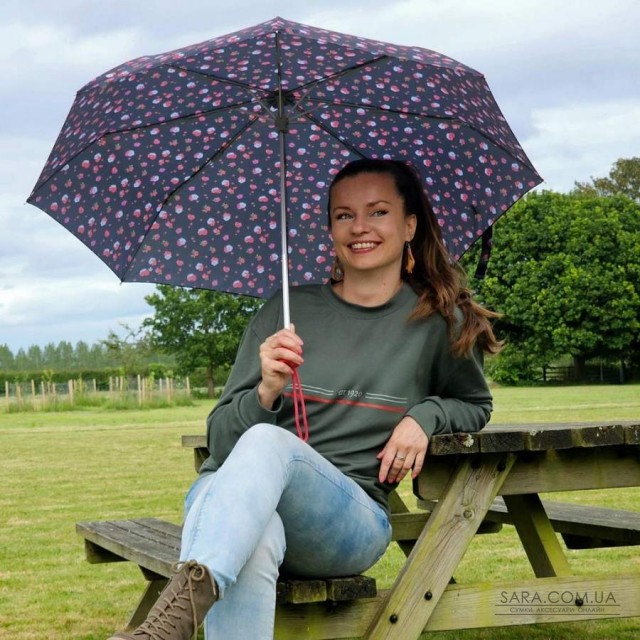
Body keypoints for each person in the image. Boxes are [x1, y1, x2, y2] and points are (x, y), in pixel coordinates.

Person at [108, 158, 501, 640]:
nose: (359, 227)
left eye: (378, 212)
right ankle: (172, 625)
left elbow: (474, 404)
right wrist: (266, 390)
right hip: (229, 505)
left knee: (269, 443)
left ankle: (170, 624)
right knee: (256, 536)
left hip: (347, 521)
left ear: (409, 226)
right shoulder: (287, 309)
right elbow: (221, 444)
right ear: (330, 229)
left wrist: (426, 416)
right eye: (343, 215)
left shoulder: (439, 321)